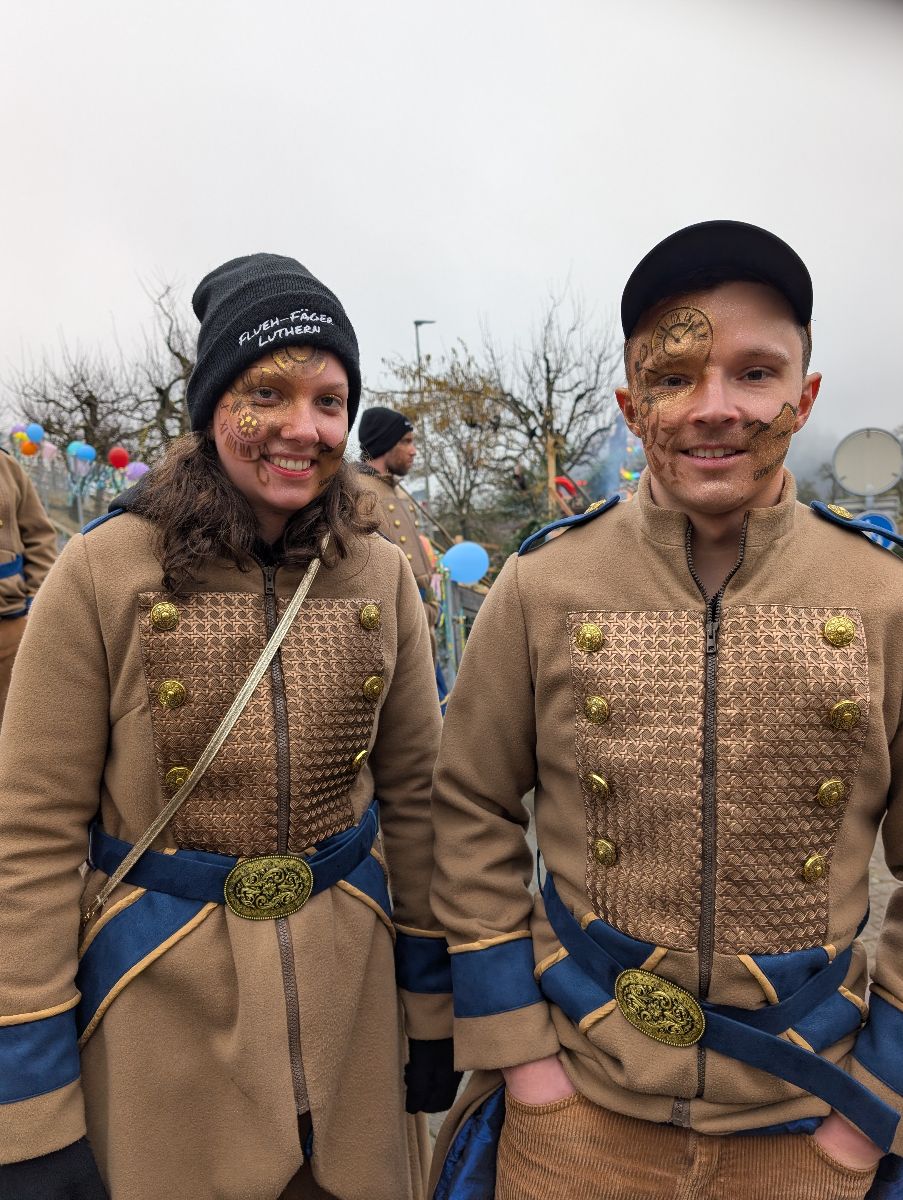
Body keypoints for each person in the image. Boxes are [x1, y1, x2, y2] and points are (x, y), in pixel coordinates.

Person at [429, 221, 903, 1200]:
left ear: (806, 395)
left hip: (811, 1127)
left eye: (755, 373)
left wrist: (873, 1109)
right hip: (574, 1123)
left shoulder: (885, 597)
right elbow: (469, 807)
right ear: (629, 404)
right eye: (673, 377)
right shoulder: (541, 584)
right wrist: (525, 1063)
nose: (713, 408)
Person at [0, 253, 458, 1200]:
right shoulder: (102, 570)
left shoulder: (379, 571)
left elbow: (418, 798)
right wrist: (29, 1103)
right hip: (160, 1010)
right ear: (212, 406)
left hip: (354, 1009)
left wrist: (429, 1001)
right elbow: (30, 835)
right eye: (267, 394)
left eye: (329, 401)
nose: (303, 428)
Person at [354, 407, 440, 660]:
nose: (413, 451)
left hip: (423, 622)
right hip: (397, 628)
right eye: (406, 441)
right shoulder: (357, 492)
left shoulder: (395, 491)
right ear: (385, 443)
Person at [0, 447, 56, 721]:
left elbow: (40, 538)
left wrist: (36, 602)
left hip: (9, 624)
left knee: (12, 720)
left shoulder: (6, 466)